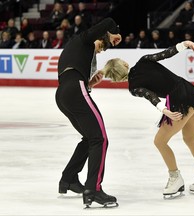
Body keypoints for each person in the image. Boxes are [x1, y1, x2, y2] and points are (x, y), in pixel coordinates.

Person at [100, 40, 194, 197]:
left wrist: (165, 110)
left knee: (160, 141)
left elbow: (151, 96)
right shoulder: (144, 61)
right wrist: (185, 44)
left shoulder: (133, 87)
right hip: (191, 91)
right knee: (190, 139)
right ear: (125, 65)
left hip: (182, 100)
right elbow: (166, 53)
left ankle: (175, 178)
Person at [55, 17, 122, 207]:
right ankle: (94, 189)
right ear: (100, 36)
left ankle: (69, 178)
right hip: (74, 90)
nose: (100, 50)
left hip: (63, 94)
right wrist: (115, 32)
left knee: (89, 137)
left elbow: (70, 77)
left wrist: (89, 83)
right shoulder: (84, 39)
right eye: (102, 46)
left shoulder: (77, 48)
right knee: (100, 139)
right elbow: (109, 20)